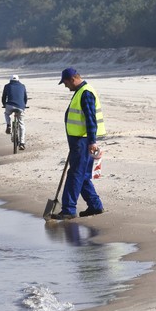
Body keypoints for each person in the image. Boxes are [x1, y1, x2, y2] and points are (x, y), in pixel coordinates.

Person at [51, 67, 105, 220]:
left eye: (66, 83)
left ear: (73, 79)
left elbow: (91, 118)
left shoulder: (85, 93)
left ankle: (68, 209)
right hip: (79, 140)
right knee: (83, 175)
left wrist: (92, 142)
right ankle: (95, 206)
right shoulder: (80, 91)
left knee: (75, 174)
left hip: (83, 141)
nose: (65, 86)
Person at [1, 74, 28, 150]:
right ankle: (22, 143)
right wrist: (24, 105)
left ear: (10, 80)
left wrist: (4, 104)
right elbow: (25, 98)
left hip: (9, 105)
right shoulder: (22, 86)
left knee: (6, 114)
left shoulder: (7, 86)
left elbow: (3, 97)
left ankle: (8, 125)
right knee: (21, 123)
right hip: (20, 106)